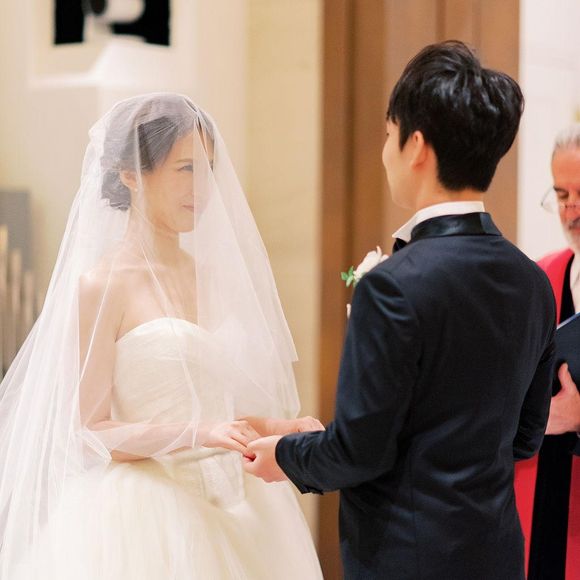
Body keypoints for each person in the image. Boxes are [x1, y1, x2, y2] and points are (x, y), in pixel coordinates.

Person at [245, 41, 556, 579]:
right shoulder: (531, 281)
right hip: (497, 553)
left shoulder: (393, 285)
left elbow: (359, 452)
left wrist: (285, 455)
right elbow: (526, 437)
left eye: (388, 135)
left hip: (408, 557)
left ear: (416, 146)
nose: (384, 152)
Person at [0, 93, 323, 579]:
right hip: (147, 517)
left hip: (235, 504)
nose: (203, 189)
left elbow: (212, 409)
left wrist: (277, 425)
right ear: (131, 175)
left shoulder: (208, 278)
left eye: (208, 170)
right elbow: (90, 431)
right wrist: (195, 433)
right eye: (186, 169)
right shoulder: (103, 286)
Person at [514, 125, 580, 580]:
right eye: (561, 195)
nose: (570, 210)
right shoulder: (541, 276)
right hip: (537, 491)